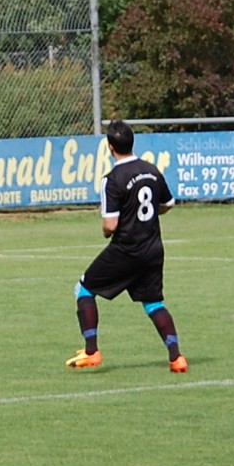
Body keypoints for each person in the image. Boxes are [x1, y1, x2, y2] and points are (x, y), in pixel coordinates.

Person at [66, 121, 187, 373]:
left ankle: (91, 351)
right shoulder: (151, 170)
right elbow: (168, 204)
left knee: (84, 289)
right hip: (153, 248)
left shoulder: (112, 179)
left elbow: (110, 225)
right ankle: (177, 358)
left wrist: (105, 231)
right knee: (153, 303)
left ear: (110, 147)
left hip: (126, 250)